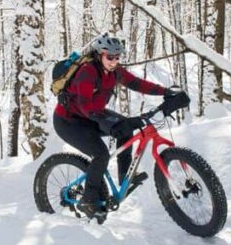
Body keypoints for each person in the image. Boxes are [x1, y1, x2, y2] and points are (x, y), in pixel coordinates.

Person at [53, 33, 185, 222]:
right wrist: (106, 122)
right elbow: (84, 105)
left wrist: (165, 91)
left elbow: (137, 83)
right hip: (69, 121)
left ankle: (125, 176)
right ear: (100, 54)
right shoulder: (87, 71)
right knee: (101, 155)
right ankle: (88, 199)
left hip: (92, 115)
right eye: (110, 57)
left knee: (125, 128)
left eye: (118, 57)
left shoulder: (115, 71)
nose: (114, 61)